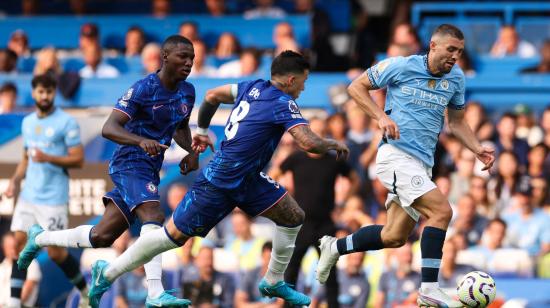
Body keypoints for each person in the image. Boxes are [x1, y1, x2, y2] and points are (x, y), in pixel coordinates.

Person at [83, 50, 349, 307]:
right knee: (170, 237)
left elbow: (213, 95)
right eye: (303, 82)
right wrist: (330, 143)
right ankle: (107, 274)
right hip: (220, 181)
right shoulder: (282, 102)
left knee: (293, 216)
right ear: (291, 80)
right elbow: (307, 142)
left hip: (248, 178)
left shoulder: (252, 86)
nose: (303, 88)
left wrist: (202, 130)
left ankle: (273, 280)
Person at [315, 24, 496, 307]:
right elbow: (356, 86)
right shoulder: (401, 66)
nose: (455, 57)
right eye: (450, 49)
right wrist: (380, 116)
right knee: (441, 211)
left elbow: (457, 122)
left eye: (459, 52)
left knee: (394, 236)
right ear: (433, 46)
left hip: (422, 165)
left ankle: (334, 246)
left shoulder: (456, 79)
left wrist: (476, 148)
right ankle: (429, 289)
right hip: (395, 157)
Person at [17, 35, 198, 307]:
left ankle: (40, 237)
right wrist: (140, 140)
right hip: (128, 162)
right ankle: (154, 292)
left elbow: (180, 126)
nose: (188, 62)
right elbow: (109, 128)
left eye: (192, 58)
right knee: (153, 214)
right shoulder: (143, 89)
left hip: (149, 168)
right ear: (164, 57)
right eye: (182, 57)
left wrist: (191, 151)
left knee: (101, 236)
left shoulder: (188, 91)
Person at [3, 74, 88, 308]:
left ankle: (85, 291)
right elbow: (25, 158)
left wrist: (48, 157)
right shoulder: (28, 122)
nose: (45, 96)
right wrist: (14, 180)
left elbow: (79, 159)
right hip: (29, 195)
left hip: (53, 199)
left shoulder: (66, 122)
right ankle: (13, 303)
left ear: (54, 93)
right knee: (19, 244)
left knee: (55, 254)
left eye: (49, 92)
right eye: (41, 92)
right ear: (33, 93)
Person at [275, 116, 359, 307]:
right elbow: (273, 176)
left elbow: (355, 179)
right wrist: (281, 201)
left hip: (324, 224)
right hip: (300, 223)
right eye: (315, 131)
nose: (318, 135)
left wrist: (343, 202)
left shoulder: (333, 160)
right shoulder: (296, 158)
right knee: (291, 270)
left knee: (329, 271)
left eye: (322, 131)